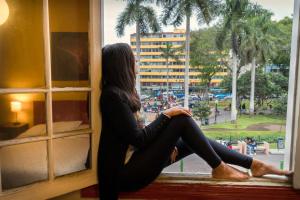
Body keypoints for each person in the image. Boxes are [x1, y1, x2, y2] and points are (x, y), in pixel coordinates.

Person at [98, 43, 291, 200]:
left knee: (190, 140)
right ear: (123, 64)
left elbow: (134, 136)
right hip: (125, 174)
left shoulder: (121, 93)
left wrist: (167, 144)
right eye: (133, 59)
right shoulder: (111, 96)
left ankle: (254, 165)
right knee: (180, 118)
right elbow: (138, 139)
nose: (136, 63)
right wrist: (166, 114)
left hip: (136, 162)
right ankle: (221, 168)